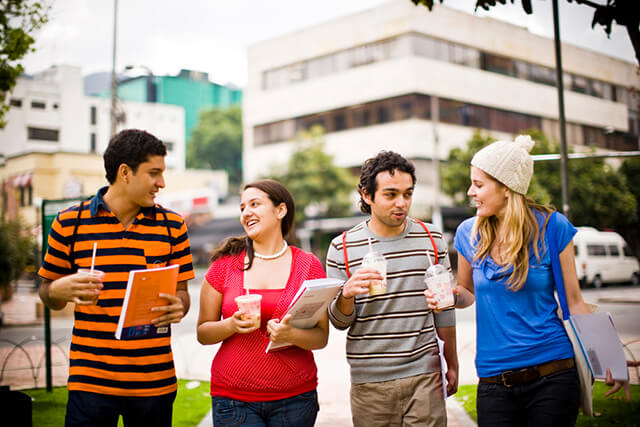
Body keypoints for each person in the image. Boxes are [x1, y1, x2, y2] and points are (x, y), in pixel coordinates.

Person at [38, 129, 195, 427]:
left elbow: (183, 295)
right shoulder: (69, 223)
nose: (161, 183)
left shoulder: (172, 226)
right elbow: (47, 294)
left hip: (154, 382)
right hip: (91, 382)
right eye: (154, 173)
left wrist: (180, 306)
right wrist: (60, 287)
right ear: (125, 172)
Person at [438, 134, 597, 426]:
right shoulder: (467, 233)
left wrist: (606, 359)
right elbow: (466, 292)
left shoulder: (553, 227)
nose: (470, 192)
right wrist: (451, 297)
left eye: (479, 184)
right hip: (493, 380)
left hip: (554, 373)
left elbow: (573, 302)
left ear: (507, 188)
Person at [326, 151, 458, 427]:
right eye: (390, 195)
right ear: (367, 195)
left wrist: (452, 361)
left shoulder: (432, 239)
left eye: (408, 194)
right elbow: (339, 321)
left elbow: (444, 310)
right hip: (369, 381)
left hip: (425, 373)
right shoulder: (342, 248)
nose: (402, 203)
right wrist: (347, 295)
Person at [197, 179, 329, 426]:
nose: (246, 212)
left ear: (280, 210)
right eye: (242, 207)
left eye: (255, 204)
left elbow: (321, 337)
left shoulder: (308, 266)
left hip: (296, 399)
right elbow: (203, 332)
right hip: (234, 400)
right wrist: (231, 325)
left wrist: (291, 334)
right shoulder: (224, 265)